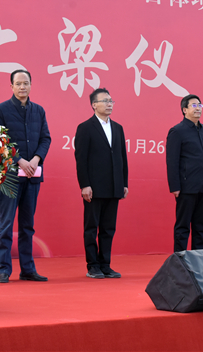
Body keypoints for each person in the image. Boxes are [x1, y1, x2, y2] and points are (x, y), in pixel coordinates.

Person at [0, 69, 51, 283]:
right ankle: (4, 269)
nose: (22, 87)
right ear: (11, 86)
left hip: (32, 176)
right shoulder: (1, 110)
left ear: (31, 85)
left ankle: (27, 269)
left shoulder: (39, 111)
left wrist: (35, 159)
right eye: (18, 83)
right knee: (6, 223)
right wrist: (19, 160)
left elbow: (45, 139)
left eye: (26, 83)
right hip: (10, 177)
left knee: (27, 225)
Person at [74, 88, 128, 279]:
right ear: (94, 105)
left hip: (114, 186)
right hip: (94, 187)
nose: (109, 104)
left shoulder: (118, 128)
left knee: (108, 228)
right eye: (105, 101)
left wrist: (124, 183)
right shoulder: (85, 127)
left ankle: (105, 265)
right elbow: (81, 159)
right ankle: (93, 265)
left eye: (111, 101)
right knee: (91, 227)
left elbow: (122, 158)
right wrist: (85, 185)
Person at [166, 94, 203, 252]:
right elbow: (172, 161)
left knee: (200, 227)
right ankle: (180, 260)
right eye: (194, 105)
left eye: (200, 105)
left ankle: (199, 260)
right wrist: (175, 186)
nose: (198, 109)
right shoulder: (177, 131)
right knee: (183, 227)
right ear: (184, 110)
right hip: (187, 187)